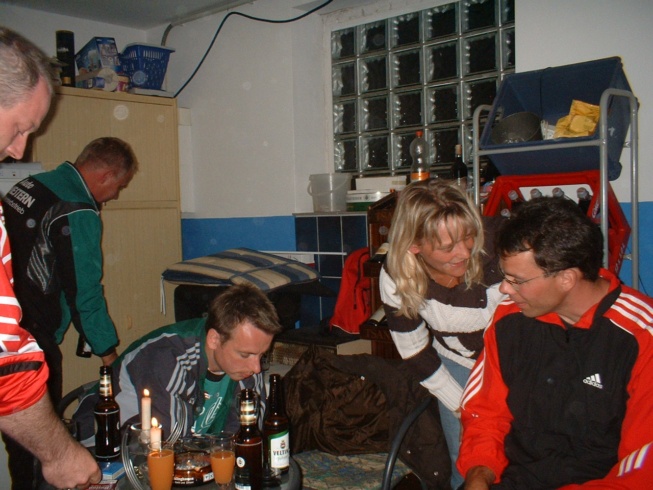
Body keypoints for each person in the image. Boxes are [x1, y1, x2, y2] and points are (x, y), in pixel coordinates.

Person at [457, 196, 653, 489]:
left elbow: (642, 469)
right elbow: (485, 414)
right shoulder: (509, 319)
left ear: (567, 278)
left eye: (517, 280)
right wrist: (479, 473)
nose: (504, 288)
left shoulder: (641, 336)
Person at [0, 26, 101, 489]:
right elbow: (85, 290)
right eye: (20, 127)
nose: (19, 149)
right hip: (34, 334)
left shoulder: (27, 188)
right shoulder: (77, 208)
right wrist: (60, 454)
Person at [379, 179, 505, 488]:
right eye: (447, 247)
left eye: (468, 236)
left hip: (513, 361)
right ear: (414, 245)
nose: (464, 252)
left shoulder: (504, 247)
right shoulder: (397, 275)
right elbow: (414, 350)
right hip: (458, 363)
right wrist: (462, 406)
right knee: (465, 461)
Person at [75, 283, 284, 443]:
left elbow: (245, 437)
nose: (257, 368)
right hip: (101, 452)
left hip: (161, 454)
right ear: (214, 339)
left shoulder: (248, 365)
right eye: (246, 355)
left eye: (262, 355)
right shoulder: (168, 359)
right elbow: (172, 448)